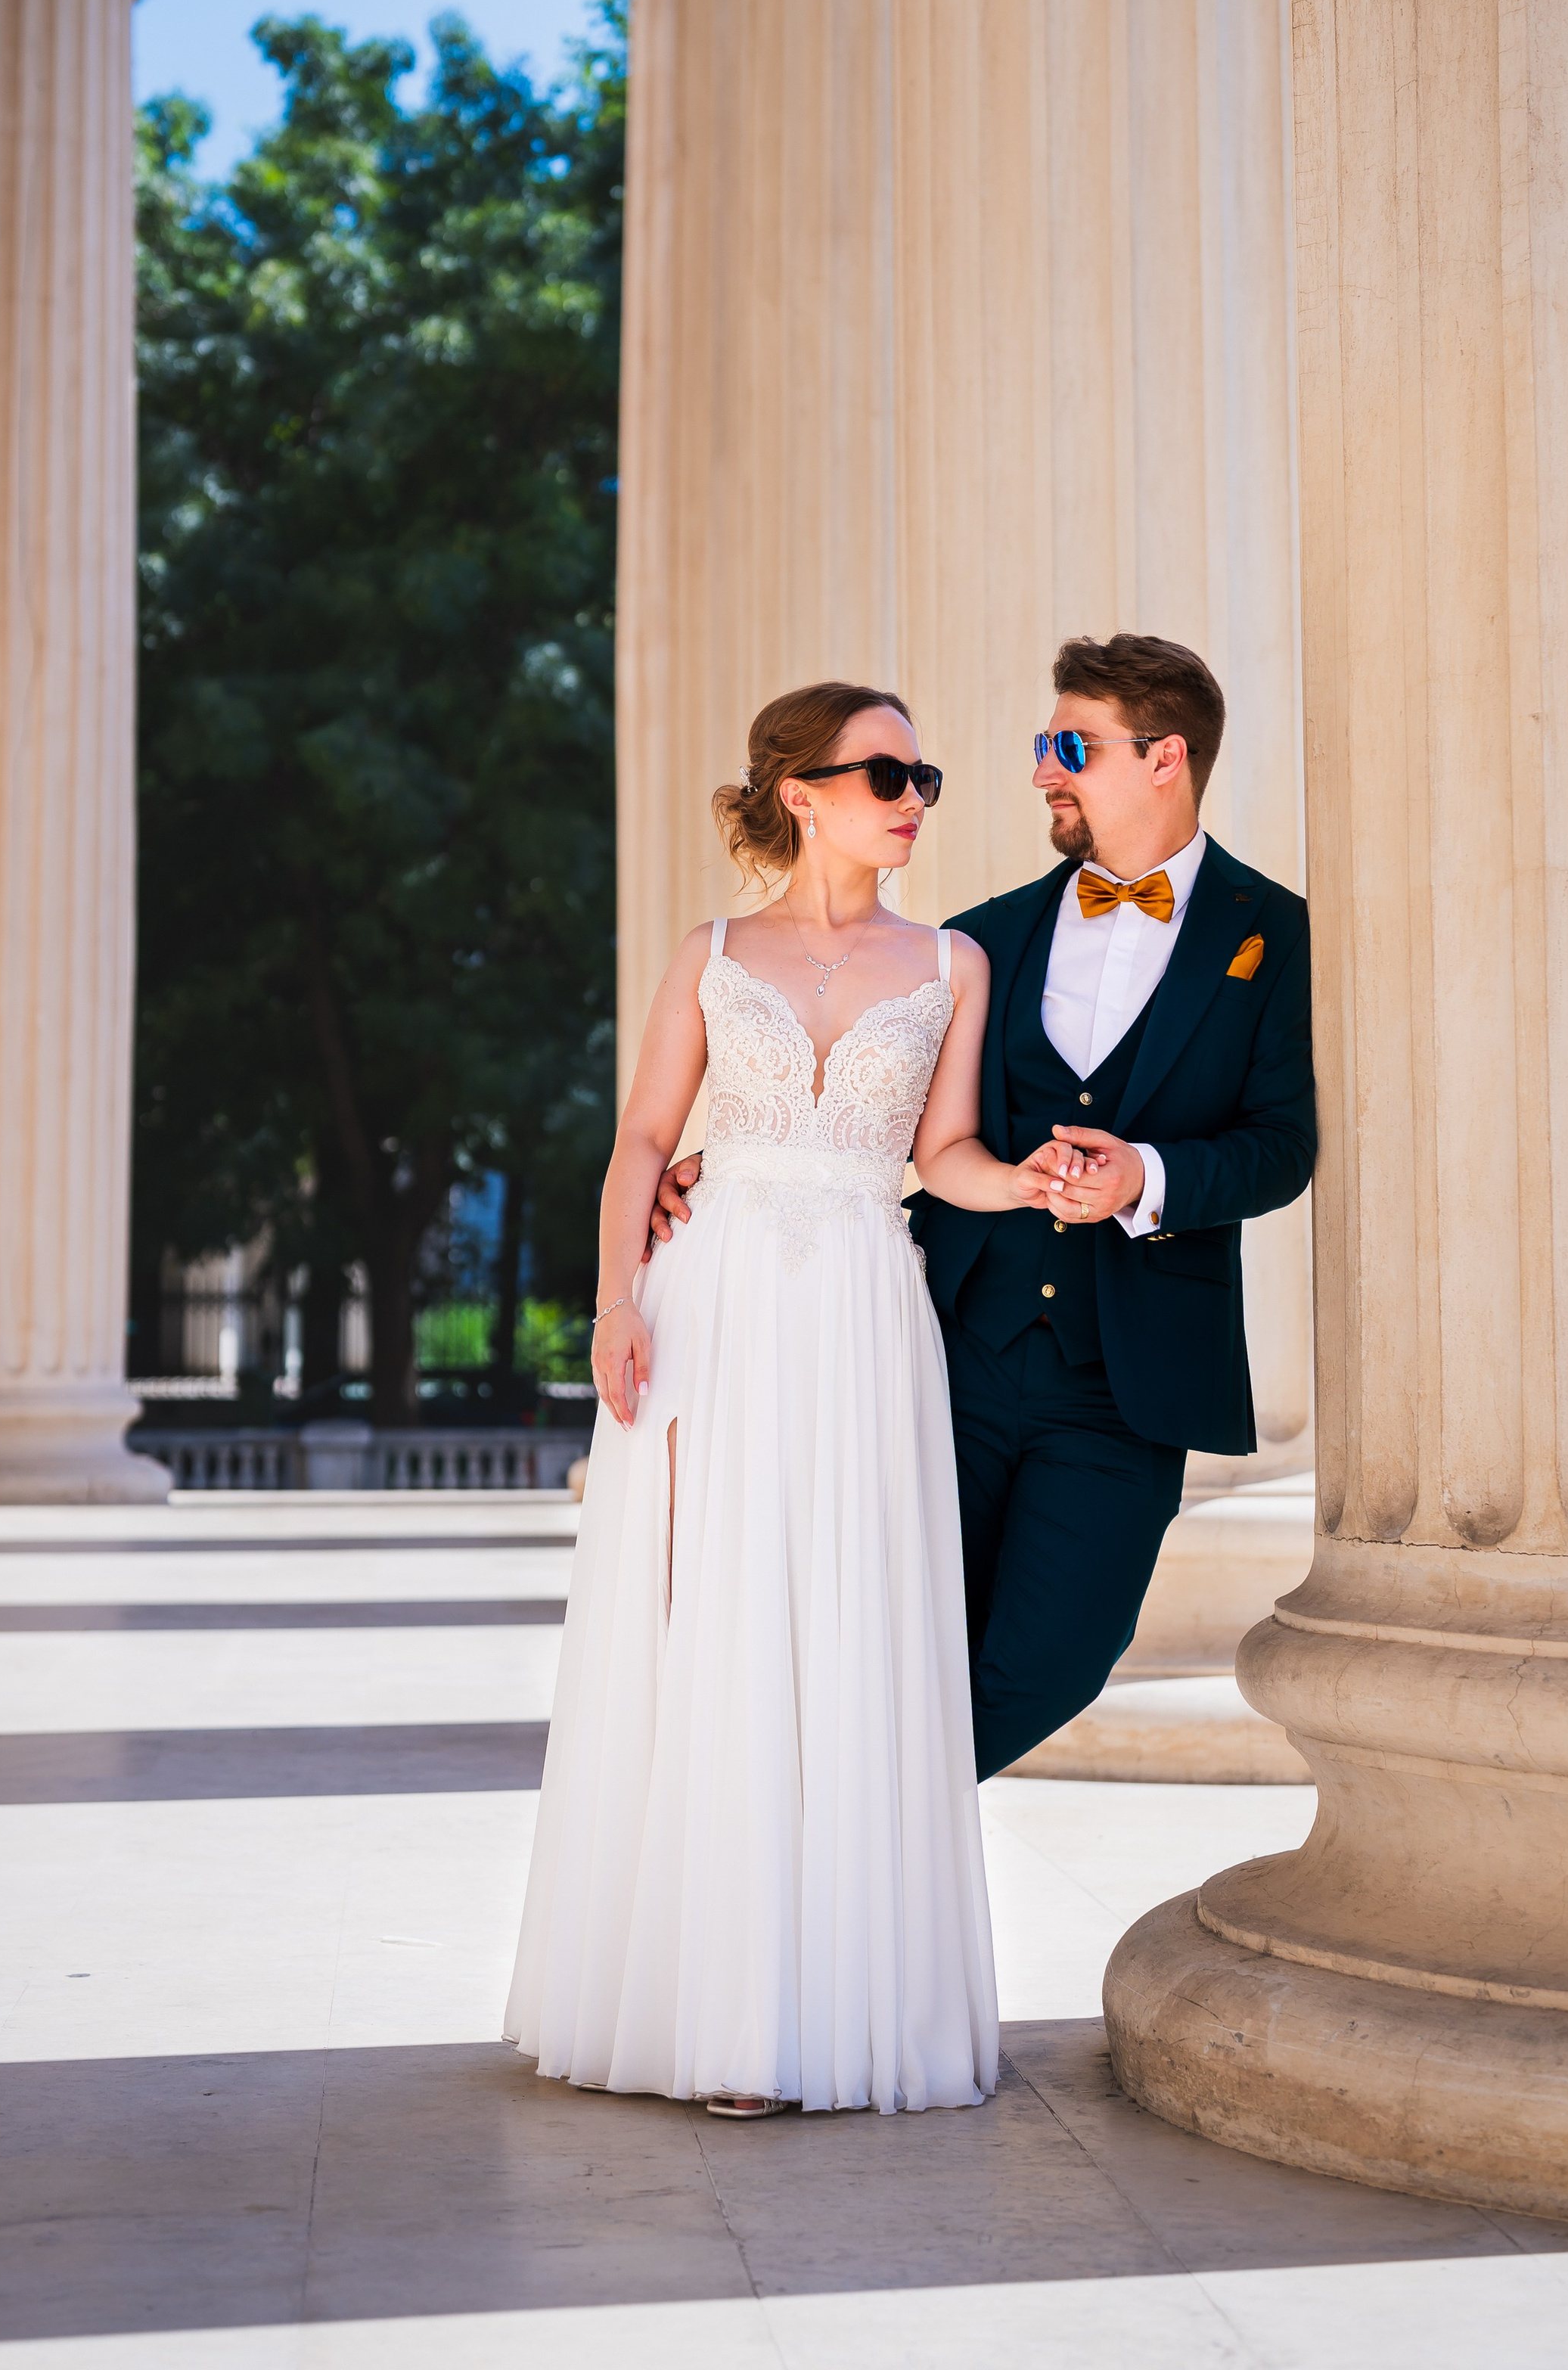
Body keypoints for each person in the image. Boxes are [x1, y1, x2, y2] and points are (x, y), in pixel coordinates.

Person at [650, 633, 1317, 1784]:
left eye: (1071, 746)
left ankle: (857, 1828)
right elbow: (888, 1112)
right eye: (1042, 746)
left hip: (1130, 1381)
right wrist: (719, 1162)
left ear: (1165, 757)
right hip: (945, 1355)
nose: (1043, 772)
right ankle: (823, 1878)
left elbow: (1282, 1145)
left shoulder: (1274, 929)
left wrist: (1146, 1179)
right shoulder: (985, 938)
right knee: (880, 1639)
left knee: (1054, 1659)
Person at [504, 681, 1004, 2120]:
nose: (916, 798)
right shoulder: (712, 954)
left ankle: (838, 2001)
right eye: (889, 772)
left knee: (849, 1625)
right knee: (717, 1623)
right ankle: (723, 2011)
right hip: (713, 1307)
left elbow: (947, 1150)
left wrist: (1033, 1186)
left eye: (927, 775)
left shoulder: (952, 964)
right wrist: (613, 1304)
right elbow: (644, 1140)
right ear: (803, 791)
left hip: (864, 1301)